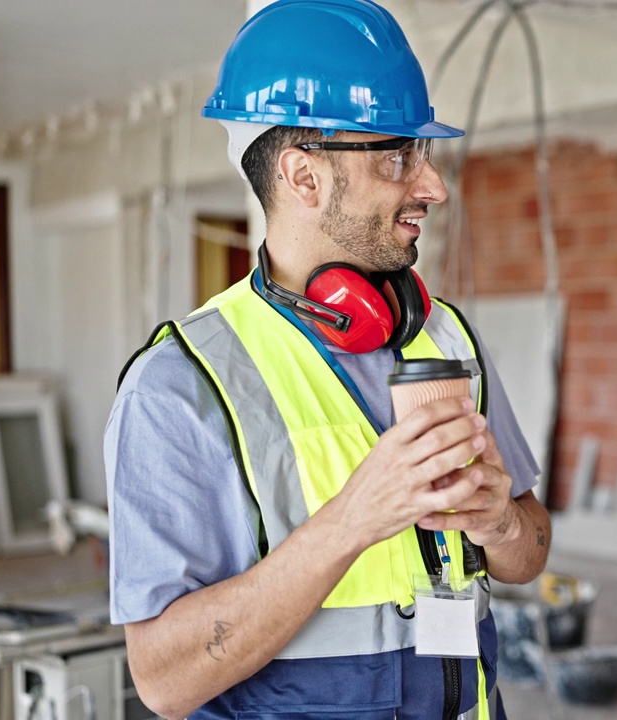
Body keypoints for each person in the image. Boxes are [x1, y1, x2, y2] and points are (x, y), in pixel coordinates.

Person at [103, 1, 551, 717]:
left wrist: (500, 523)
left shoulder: (445, 337)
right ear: (303, 176)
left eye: (425, 156)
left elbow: (528, 554)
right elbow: (163, 680)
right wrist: (352, 521)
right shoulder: (180, 387)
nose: (434, 187)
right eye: (399, 155)